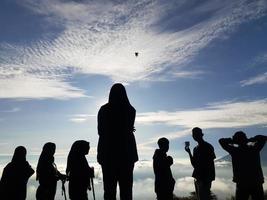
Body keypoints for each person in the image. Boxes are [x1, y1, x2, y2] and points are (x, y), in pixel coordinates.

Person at [97, 83, 138, 200]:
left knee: (109, 190)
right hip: (127, 153)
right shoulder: (131, 110)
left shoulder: (104, 110)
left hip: (108, 154)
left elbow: (101, 132)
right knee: (126, 190)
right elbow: (127, 128)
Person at [219, 131, 267, 200]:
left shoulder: (235, 151)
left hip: (241, 183)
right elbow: (264, 138)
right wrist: (250, 139)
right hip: (256, 182)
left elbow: (221, 141)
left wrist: (233, 141)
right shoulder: (254, 149)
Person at [185, 127, 216, 200]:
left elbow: (209, 164)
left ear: (201, 134)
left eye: (195, 134)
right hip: (198, 177)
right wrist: (189, 152)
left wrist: (206, 179)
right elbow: (194, 165)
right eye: (193, 134)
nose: (194, 136)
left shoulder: (208, 146)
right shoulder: (195, 149)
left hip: (204, 178)